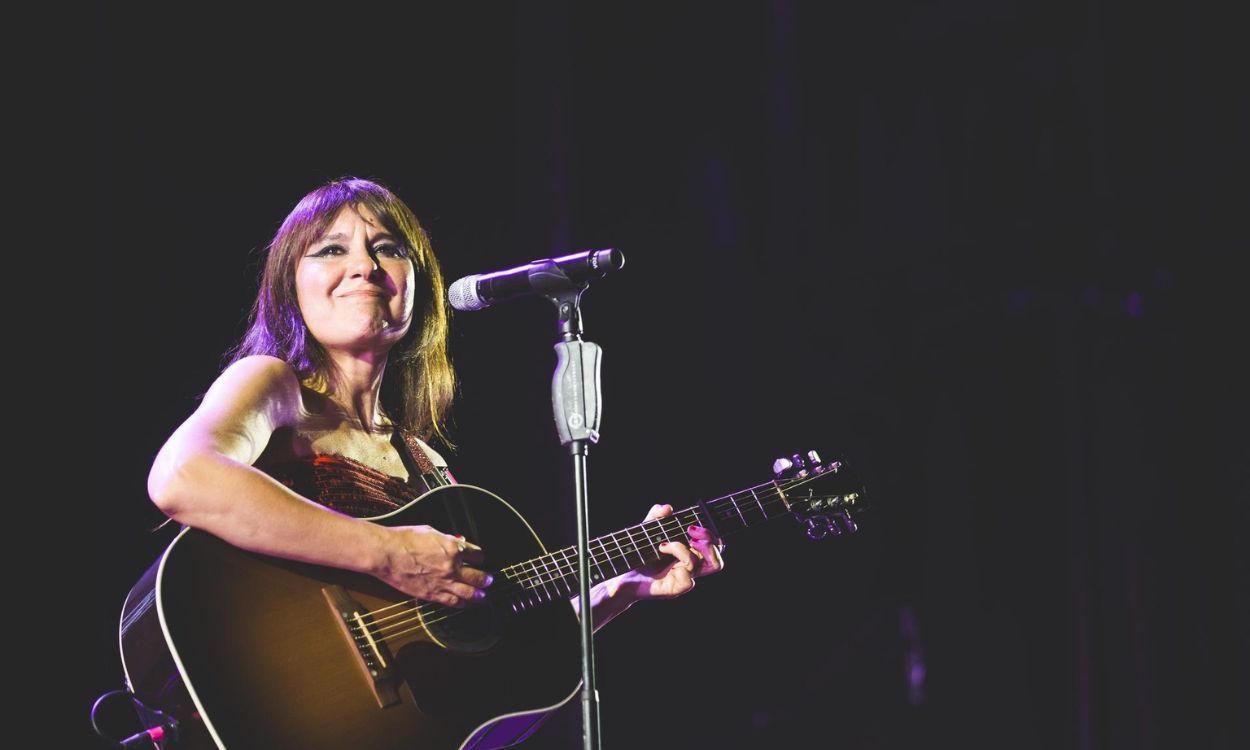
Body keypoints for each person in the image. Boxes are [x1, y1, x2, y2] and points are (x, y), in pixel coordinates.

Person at [147, 175, 723, 635]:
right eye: (330, 249)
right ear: (289, 288)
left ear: (416, 285)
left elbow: (483, 651)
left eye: (387, 249)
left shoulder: (425, 463)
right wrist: (386, 551)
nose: (365, 267)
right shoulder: (273, 386)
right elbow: (182, 478)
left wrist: (620, 590)